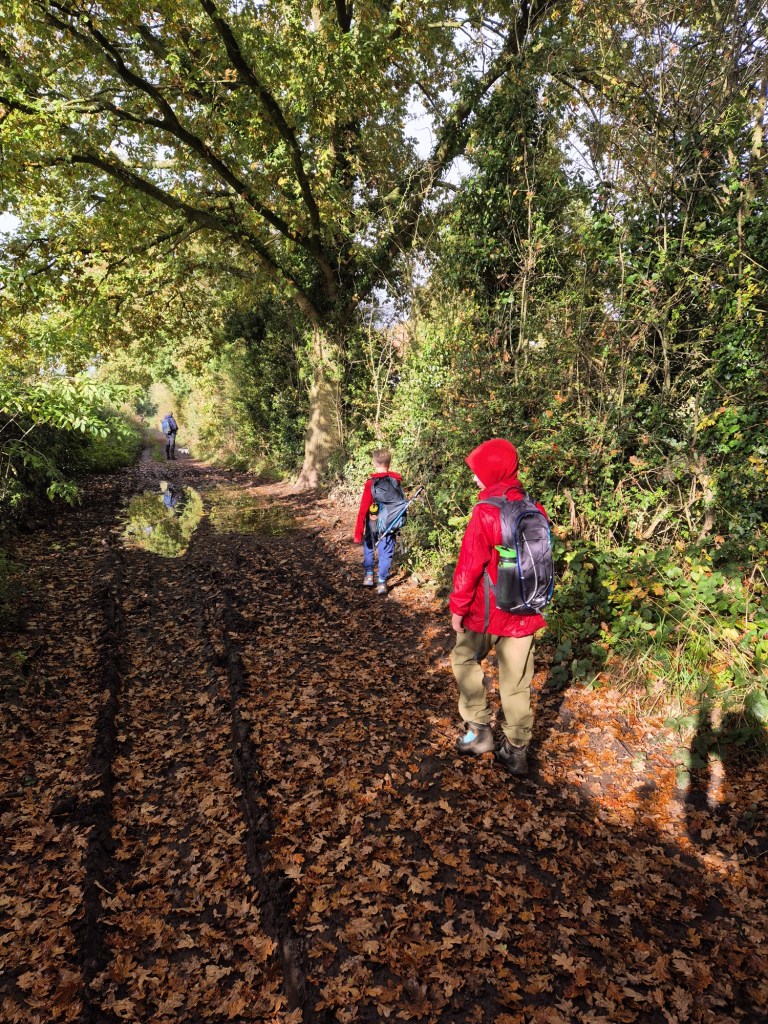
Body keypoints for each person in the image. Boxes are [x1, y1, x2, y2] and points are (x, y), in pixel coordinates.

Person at [449, 438, 548, 776]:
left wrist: (457, 608)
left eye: (478, 472)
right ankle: (517, 751)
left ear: (492, 471)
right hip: (527, 611)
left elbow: (470, 565)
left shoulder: (486, 511)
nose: (475, 478)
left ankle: (478, 732)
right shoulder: (534, 507)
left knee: (463, 658)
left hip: (487, 612)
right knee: (517, 681)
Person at [353, 448, 404, 596]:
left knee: (369, 545)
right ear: (389, 462)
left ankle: (369, 576)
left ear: (374, 462)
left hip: (373, 522)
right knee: (386, 550)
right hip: (390, 522)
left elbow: (363, 509)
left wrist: (358, 533)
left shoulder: (371, 483)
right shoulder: (396, 481)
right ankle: (382, 582)